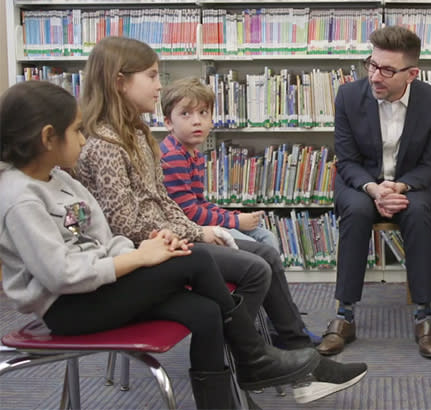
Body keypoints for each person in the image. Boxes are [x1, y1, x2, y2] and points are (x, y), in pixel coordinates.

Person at [72, 36, 365, 404]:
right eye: (151, 75)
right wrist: (200, 232)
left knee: (258, 261)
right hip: (143, 253)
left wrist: (201, 230)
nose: (159, 83)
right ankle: (266, 360)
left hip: (169, 240)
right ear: (119, 81)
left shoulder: (136, 134)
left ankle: (279, 360)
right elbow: (127, 224)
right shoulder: (106, 145)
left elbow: (163, 202)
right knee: (257, 266)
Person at [0, 80, 322, 409]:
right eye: (77, 131)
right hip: (68, 308)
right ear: (47, 137)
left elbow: (104, 241)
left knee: (206, 311)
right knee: (194, 259)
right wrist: (140, 259)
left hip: (99, 289)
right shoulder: (20, 199)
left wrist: (145, 251)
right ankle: (252, 357)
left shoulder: (62, 180)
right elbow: (61, 276)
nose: (84, 139)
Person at [318, 26, 431, 359]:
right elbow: (346, 160)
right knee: (357, 211)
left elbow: (430, 165)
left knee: (419, 213)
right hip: (361, 182)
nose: (375, 76)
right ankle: (344, 316)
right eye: (372, 64)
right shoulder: (349, 96)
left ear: (412, 74)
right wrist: (375, 189)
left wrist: (399, 186)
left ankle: (424, 317)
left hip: (407, 182)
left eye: (387, 70)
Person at [158, 77, 280, 251]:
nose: (196, 121)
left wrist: (234, 216)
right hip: (186, 230)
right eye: (186, 113)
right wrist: (236, 221)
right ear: (168, 122)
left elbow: (200, 202)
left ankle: (272, 278)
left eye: (203, 113)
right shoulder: (173, 156)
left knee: (267, 237)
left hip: (196, 222)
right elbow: (189, 213)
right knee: (256, 248)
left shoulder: (195, 154)